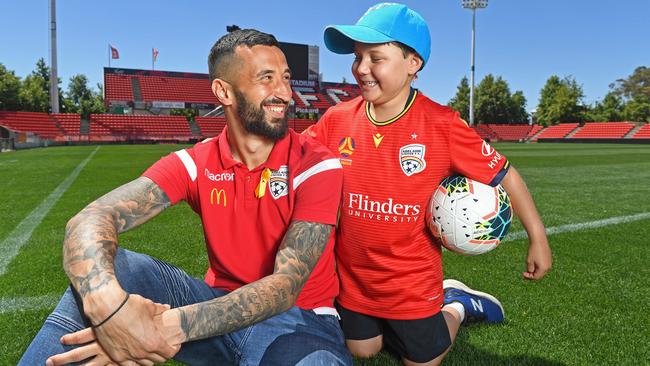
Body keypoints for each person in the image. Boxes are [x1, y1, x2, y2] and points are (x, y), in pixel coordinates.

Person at [19, 29, 352, 366]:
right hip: (215, 302)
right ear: (224, 91)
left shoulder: (317, 163)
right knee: (113, 267)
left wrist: (159, 329)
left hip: (302, 321)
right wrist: (109, 311)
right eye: (266, 78)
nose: (285, 92)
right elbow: (89, 219)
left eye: (285, 78)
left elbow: (285, 286)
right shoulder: (196, 163)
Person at [305, 3, 553, 365]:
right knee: (363, 350)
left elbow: (505, 174)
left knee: (421, 361)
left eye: (376, 57)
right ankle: (386, 322)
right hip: (354, 278)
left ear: (413, 64)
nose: (361, 68)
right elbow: (295, 157)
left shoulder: (442, 124)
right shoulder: (336, 119)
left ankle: (456, 305)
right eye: (357, 57)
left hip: (411, 284)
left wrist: (538, 238)